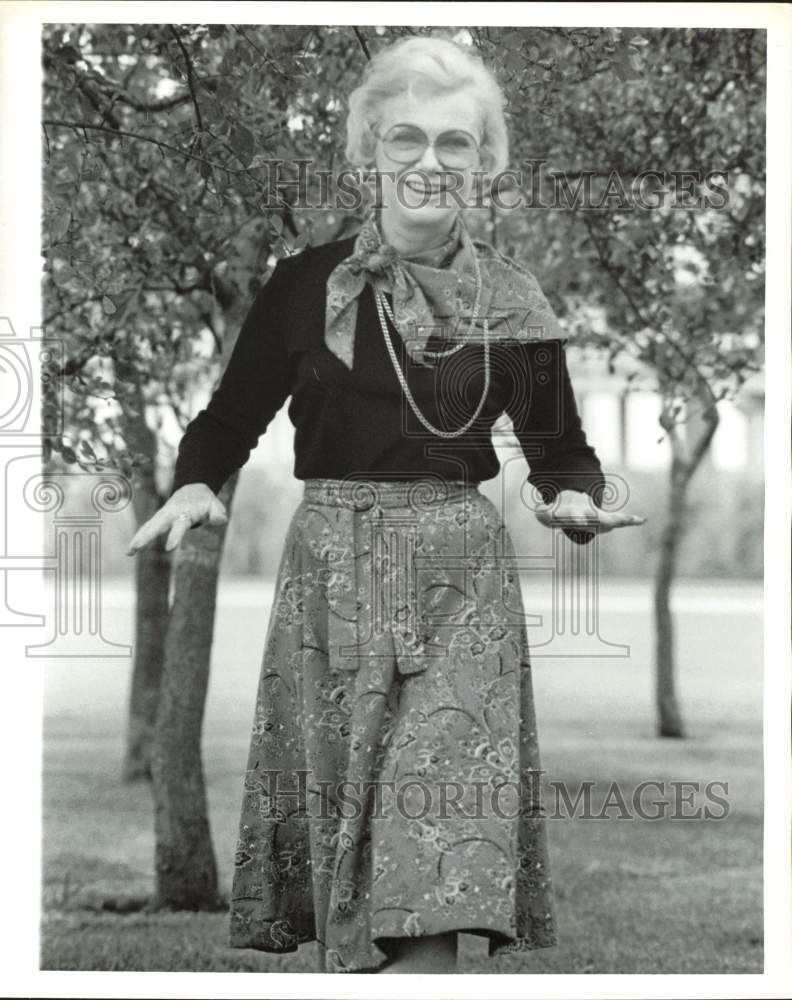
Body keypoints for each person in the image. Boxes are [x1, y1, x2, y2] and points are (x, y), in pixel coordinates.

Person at [127, 34, 645, 974]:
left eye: (456, 143)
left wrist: (574, 501)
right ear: (368, 150)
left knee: (436, 851)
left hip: (460, 591)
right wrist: (197, 483)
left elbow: (559, 450)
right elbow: (230, 417)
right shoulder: (300, 286)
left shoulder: (516, 300)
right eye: (406, 138)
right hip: (329, 573)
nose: (429, 163)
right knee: (346, 864)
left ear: (483, 161)